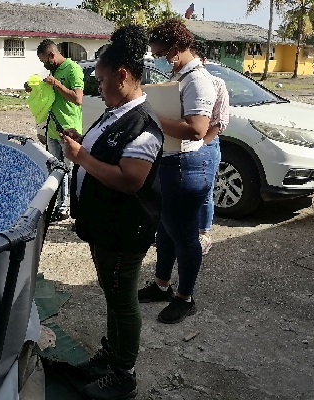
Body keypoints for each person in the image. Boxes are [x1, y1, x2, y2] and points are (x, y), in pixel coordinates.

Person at [61, 24, 163, 400]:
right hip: (107, 226)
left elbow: (129, 180)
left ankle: (124, 374)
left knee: (123, 301)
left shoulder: (145, 126)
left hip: (125, 230)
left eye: (101, 80)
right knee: (113, 294)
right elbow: (101, 150)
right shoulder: (116, 112)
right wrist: (79, 142)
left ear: (122, 75)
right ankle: (111, 356)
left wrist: (81, 156)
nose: (97, 87)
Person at [137, 19, 217, 324]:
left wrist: (151, 119)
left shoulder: (197, 80)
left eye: (162, 53)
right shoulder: (179, 77)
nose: (160, 60)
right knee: (165, 230)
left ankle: (186, 298)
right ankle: (161, 285)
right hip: (169, 161)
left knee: (184, 236)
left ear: (176, 48)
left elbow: (197, 129)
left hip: (186, 166)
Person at [26, 39, 84, 222]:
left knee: (67, 169)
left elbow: (78, 98)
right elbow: (46, 92)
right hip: (52, 128)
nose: (44, 64)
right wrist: (32, 87)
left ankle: (65, 207)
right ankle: (56, 205)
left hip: (69, 128)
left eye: (44, 60)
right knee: (54, 169)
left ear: (52, 55)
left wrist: (56, 84)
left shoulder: (73, 69)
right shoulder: (53, 70)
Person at [190, 41, 230, 255]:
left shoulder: (216, 83)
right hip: (184, 144)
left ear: (204, 61)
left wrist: (200, 144)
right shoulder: (180, 81)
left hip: (206, 143)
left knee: (205, 191)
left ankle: (204, 234)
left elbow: (219, 122)